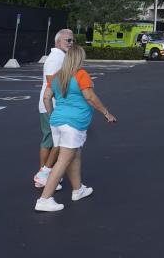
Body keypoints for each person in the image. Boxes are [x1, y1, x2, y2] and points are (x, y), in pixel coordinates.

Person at [35, 45, 117, 212]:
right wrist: (106, 113)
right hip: (73, 123)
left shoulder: (57, 76)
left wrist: (52, 116)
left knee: (74, 155)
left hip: (58, 122)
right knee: (63, 160)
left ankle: (77, 189)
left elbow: (46, 97)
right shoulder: (81, 75)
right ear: (80, 58)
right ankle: (44, 199)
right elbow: (90, 97)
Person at [35, 29, 73, 189]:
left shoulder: (61, 56)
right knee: (52, 140)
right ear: (58, 42)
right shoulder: (55, 58)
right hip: (52, 106)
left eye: (72, 40)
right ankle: (43, 176)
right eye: (68, 40)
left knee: (54, 140)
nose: (71, 43)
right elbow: (51, 82)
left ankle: (48, 174)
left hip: (55, 105)